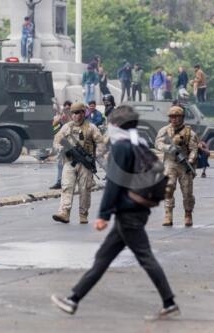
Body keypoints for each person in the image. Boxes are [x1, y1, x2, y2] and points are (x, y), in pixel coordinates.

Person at [51, 105, 180, 320]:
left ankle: (169, 302)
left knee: (145, 257)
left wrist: (103, 214)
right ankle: (73, 300)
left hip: (128, 214)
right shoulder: (139, 143)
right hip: (135, 210)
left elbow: (114, 183)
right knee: (103, 258)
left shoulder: (121, 146)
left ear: (117, 125)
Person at [52, 102, 105, 224]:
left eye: (78, 113)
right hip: (69, 162)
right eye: (73, 113)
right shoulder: (67, 127)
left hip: (85, 164)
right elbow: (56, 141)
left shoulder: (91, 128)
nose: (76, 116)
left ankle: (83, 214)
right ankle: (64, 212)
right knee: (66, 187)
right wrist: (61, 149)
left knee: (85, 190)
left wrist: (95, 155)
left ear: (83, 113)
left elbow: (100, 143)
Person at [155, 106, 199, 227]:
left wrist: (189, 161)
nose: (173, 119)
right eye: (171, 117)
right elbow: (157, 143)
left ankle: (188, 214)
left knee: (187, 191)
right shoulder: (165, 130)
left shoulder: (190, 133)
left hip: (184, 164)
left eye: (176, 117)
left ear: (182, 117)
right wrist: (168, 148)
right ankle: (168, 214)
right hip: (170, 163)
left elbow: (194, 149)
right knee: (168, 188)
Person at [50, 100, 72, 189]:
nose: (66, 111)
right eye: (65, 108)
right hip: (62, 143)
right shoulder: (60, 117)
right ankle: (59, 181)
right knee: (60, 163)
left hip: (71, 144)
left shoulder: (74, 117)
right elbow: (53, 126)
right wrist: (59, 119)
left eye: (68, 108)